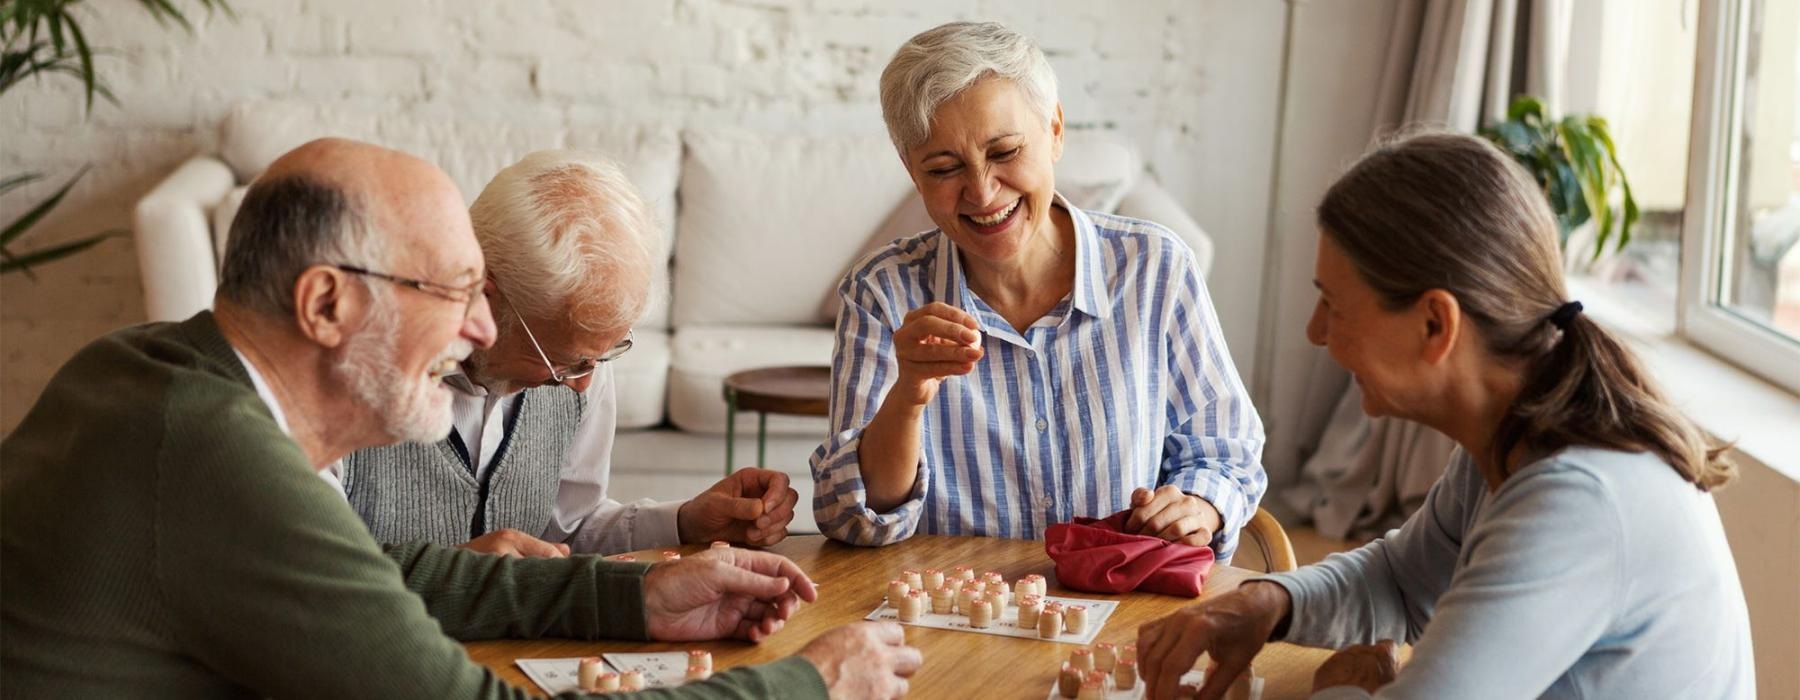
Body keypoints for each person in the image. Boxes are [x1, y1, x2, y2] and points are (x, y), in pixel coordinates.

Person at [0, 138, 919, 698]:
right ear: (325, 306)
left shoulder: (149, 371)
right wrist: (807, 683)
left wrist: (628, 593)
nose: (478, 329)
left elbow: (369, 575)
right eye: (453, 292)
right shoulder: (215, 457)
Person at [1135, 132, 1754, 699]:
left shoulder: (1577, 503)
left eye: (1334, 306)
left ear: (1435, 324)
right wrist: (1267, 602)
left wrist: (1343, 687)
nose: (1315, 332)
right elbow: (1403, 580)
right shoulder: (1510, 435)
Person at [811, 21, 1266, 558]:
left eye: (1003, 152)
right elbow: (851, 516)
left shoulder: (1155, 268)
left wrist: (1197, 505)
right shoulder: (881, 291)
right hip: (950, 622)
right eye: (944, 167)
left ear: (1054, 131)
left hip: (1119, 608)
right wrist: (908, 397)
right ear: (913, 173)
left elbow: (1226, 453)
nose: (982, 193)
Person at [338, 150, 797, 558]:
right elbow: (303, 578)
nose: (582, 383)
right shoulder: (348, 373)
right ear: (485, 296)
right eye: (564, 362)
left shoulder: (584, 356)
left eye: (604, 354)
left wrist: (686, 523)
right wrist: (460, 572)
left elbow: (570, 527)